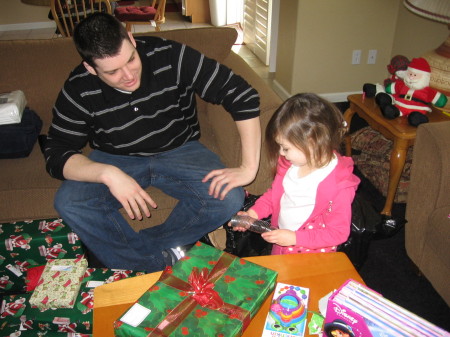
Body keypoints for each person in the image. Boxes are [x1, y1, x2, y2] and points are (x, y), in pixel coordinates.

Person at [44, 13, 261, 272]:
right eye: (112, 71)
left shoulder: (170, 55)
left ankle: (137, 256)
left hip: (181, 149)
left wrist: (248, 169)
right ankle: (157, 263)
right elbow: (56, 152)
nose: (128, 75)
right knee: (69, 202)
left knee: (229, 198)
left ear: (132, 40)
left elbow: (242, 95)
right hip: (115, 157)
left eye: (131, 60)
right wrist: (108, 173)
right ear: (90, 68)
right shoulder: (79, 88)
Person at [230, 93, 359, 255]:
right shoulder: (290, 165)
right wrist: (253, 213)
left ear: (311, 143)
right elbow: (274, 196)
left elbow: (338, 232)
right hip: (284, 240)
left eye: (286, 148)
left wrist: (295, 238)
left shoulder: (339, 185)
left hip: (310, 252)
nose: (281, 153)